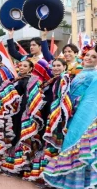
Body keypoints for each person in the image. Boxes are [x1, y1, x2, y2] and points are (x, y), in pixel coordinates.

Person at [43, 46, 97, 189]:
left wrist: (80, 113)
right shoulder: (78, 73)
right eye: (88, 55)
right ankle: (69, 182)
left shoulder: (94, 76)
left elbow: (92, 100)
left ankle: (79, 184)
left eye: (94, 57)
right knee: (69, 143)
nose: (89, 58)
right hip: (71, 114)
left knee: (74, 143)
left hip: (82, 116)